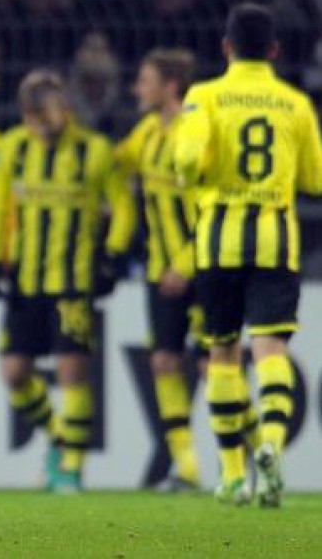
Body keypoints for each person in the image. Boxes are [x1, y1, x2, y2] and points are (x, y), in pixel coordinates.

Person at [174, 3, 322, 507]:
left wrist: (193, 173)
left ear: (226, 47)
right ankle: (274, 449)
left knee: (221, 353)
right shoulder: (295, 103)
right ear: (275, 50)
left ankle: (234, 475)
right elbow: (315, 179)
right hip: (275, 241)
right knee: (271, 353)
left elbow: (189, 162)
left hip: (218, 241)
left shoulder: (204, 96)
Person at [0, 68, 135, 493]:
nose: (38, 125)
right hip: (25, 280)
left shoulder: (96, 151)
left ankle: (70, 466)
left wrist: (114, 254)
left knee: (71, 371)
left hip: (73, 280)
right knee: (14, 372)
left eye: (44, 115)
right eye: (31, 117)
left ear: (64, 109)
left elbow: (122, 206)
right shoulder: (12, 147)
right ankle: (60, 437)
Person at [116, 48, 208, 491]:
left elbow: (212, 206)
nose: (138, 88)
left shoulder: (195, 130)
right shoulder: (148, 132)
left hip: (205, 266)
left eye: (146, 80)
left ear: (171, 85)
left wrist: (185, 264)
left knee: (215, 362)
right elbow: (115, 162)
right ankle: (186, 467)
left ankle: (246, 456)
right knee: (166, 360)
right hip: (159, 270)